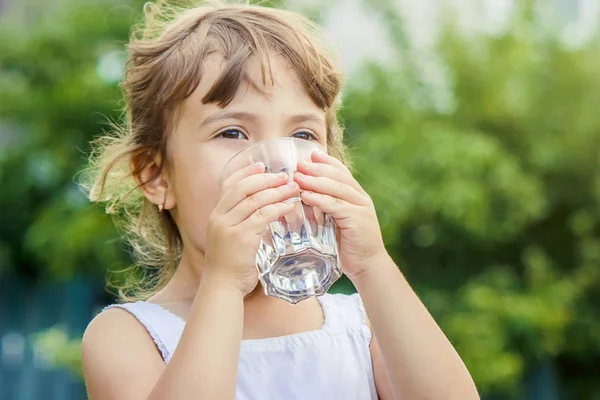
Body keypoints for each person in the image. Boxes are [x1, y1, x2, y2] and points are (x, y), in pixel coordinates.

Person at [80, 1, 479, 399]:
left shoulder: (362, 324)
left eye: (302, 136)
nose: (276, 164)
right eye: (232, 133)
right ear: (155, 176)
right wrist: (223, 284)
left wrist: (373, 266)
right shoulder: (129, 335)